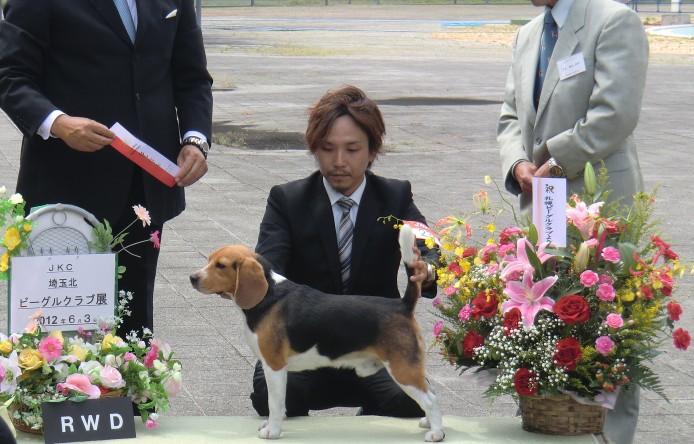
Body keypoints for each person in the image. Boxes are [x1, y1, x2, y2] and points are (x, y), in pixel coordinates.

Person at [0, 0, 213, 336]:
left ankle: (132, 389)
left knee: (134, 328)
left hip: (144, 190)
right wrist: (59, 123)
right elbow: (10, 74)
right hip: (64, 190)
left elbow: (192, 78)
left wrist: (195, 138)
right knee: (56, 334)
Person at [497, 1, 648, 442]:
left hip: (601, 203)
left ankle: (610, 436)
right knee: (550, 325)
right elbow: (510, 115)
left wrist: (557, 160)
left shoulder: (613, 20)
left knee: (607, 332)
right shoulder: (528, 34)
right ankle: (558, 427)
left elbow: (615, 114)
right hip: (542, 204)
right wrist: (518, 163)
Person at [250, 85, 439, 418]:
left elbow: (429, 245)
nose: (339, 162)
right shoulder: (287, 199)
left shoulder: (395, 196)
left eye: (352, 149)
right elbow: (268, 265)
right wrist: (245, 282)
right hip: (302, 344)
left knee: (409, 400)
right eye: (327, 149)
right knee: (273, 396)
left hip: (374, 341)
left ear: (372, 151)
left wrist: (428, 268)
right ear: (314, 149)